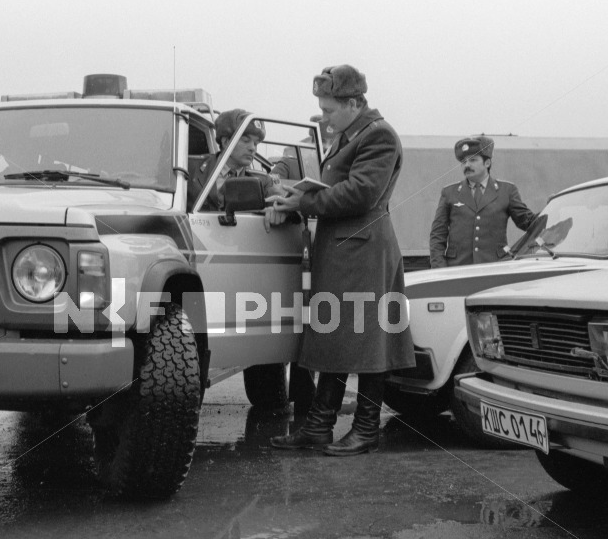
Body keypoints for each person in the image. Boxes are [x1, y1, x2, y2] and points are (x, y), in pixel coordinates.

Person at [264, 64, 415, 457]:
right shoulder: (353, 134)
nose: (324, 117)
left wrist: (304, 201)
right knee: (336, 337)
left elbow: (362, 193)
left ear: (353, 103)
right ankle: (319, 426)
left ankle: (366, 429)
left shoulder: (378, 135)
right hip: (346, 249)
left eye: (329, 110)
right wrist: (298, 198)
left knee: (369, 341)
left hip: (364, 251)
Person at [428, 135, 535, 268]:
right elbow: (438, 235)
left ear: (487, 163)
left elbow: (528, 222)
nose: (467, 165)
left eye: (473, 160)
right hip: (458, 269)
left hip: (494, 269)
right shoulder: (449, 192)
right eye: (463, 161)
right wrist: (440, 270)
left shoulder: (507, 191)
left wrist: (552, 209)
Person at [187, 108, 278, 211]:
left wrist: (275, 212)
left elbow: (286, 210)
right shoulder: (189, 167)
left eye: (255, 143)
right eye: (245, 140)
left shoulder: (263, 182)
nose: (252, 148)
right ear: (226, 142)